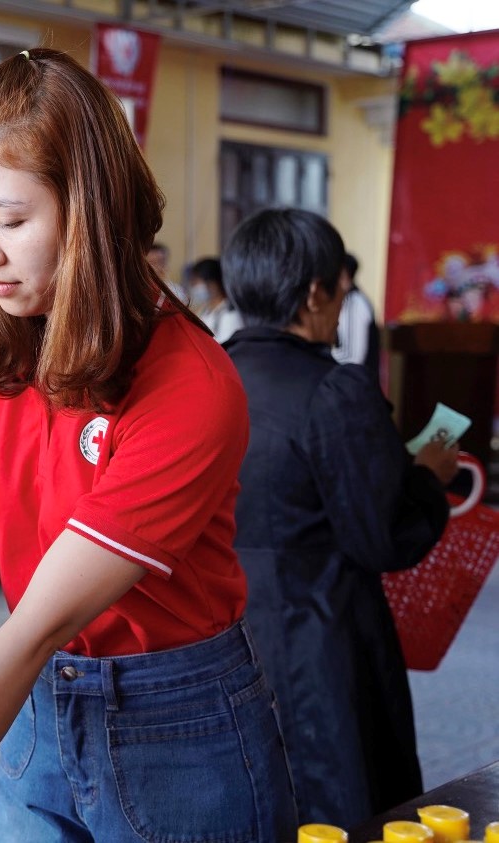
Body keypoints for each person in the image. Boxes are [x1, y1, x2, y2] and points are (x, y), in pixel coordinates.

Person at [0, 48, 296, 841]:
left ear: (93, 210)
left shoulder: (189, 387)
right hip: (34, 705)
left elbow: (32, 624)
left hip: (175, 727)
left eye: (10, 220)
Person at [222, 208, 457, 826]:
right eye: (340, 290)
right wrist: (427, 483)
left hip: (220, 641)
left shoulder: (206, 379)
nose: (342, 303)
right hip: (320, 637)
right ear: (313, 292)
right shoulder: (334, 391)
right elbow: (381, 535)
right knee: (338, 805)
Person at [332, 252, 382, 379]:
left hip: (357, 385)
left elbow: (352, 357)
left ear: (345, 276)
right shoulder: (346, 300)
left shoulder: (354, 303)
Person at [187, 256, 244, 343]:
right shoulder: (205, 311)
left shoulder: (230, 315)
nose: (193, 286)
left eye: (196, 281)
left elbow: (225, 348)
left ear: (212, 283)